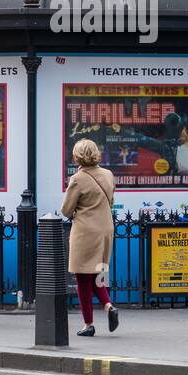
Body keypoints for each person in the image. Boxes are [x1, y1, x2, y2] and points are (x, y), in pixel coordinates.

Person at [61, 139, 118, 337]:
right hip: (105, 229)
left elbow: (66, 210)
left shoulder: (77, 179)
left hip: (85, 231)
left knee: (82, 277)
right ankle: (109, 306)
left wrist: (73, 191)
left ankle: (88, 324)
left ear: (77, 156)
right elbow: (111, 201)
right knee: (99, 272)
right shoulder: (108, 175)